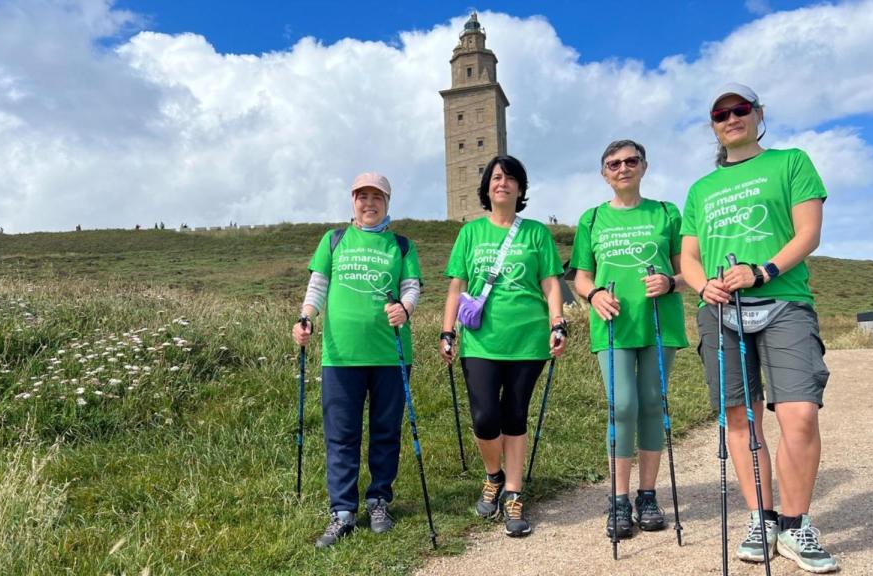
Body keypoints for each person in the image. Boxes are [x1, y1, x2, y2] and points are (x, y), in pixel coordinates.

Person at [681, 83, 837, 573]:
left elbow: (808, 232)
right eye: (721, 114)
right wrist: (703, 284)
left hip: (783, 300)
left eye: (740, 109)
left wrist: (762, 271)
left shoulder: (791, 162)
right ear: (713, 125)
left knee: (799, 415)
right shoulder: (700, 189)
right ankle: (761, 518)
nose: (732, 118)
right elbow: (688, 256)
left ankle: (795, 523)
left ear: (758, 114)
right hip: (721, 311)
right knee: (739, 419)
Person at [291, 172, 422, 548]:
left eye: (376, 197)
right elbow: (318, 285)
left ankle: (379, 500)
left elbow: (411, 286)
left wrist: (405, 309)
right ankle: (343, 510)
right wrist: (305, 319)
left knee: (385, 430)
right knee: (341, 434)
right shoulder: (334, 240)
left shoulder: (401, 245)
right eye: (362, 196)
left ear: (387, 202)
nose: (369, 203)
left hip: (390, 353)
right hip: (340, 355)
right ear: (353, 201)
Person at [439, 155, 566, 538]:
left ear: (521, 189)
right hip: (480, 340)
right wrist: (447, 331)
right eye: (496, 177)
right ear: (486, 187)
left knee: (514, 414)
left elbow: (550, 283)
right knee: (484, 418)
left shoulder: (537, 234)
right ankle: (492, 474)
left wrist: (557, 322)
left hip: (527, 339)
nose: (503, 183)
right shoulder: (470, 234)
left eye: (511, 178)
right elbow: (457, 287)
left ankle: (512, 492)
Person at [571, 139, 688, 539]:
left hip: (659, 321)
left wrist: (671, 282)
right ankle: (618, 499)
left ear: (644, 166)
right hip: (613, 324)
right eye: (613, 163)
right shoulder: (591, 220)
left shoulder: (667, 213)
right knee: (622, 405)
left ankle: (648, 495)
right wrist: (595, 294)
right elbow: (581, 277)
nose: (623, 168)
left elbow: (690, 270)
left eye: (631, 161)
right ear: (604, 173)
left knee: (652, 403)